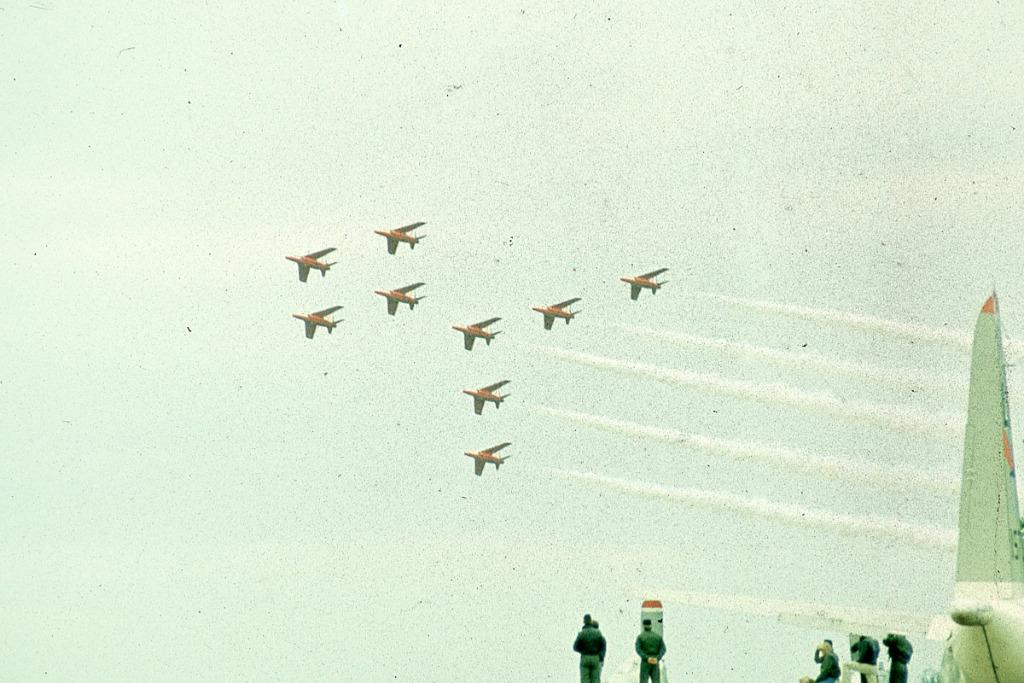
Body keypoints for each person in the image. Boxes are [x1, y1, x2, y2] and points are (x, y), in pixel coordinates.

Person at [573, 613, 606, 683]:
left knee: (585, 679)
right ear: (590, 621)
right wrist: (600, 656)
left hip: (585, 657)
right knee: (595, 679)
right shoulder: (598, 633)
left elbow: (575, 647)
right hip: (595, 657)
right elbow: (602, 645)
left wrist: (582, 651)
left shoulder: (581, 633)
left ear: (584, 621)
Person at [635, 618, 666, 683]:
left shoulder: (640, 637)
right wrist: (657, 658)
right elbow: (663, 649)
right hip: (655, 661)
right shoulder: (658, 637)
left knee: (643, 681)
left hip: (645, 662)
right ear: (651, 625)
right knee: (656, 681)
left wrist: (647, 658)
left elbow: (638, 649)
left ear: (643, 625)